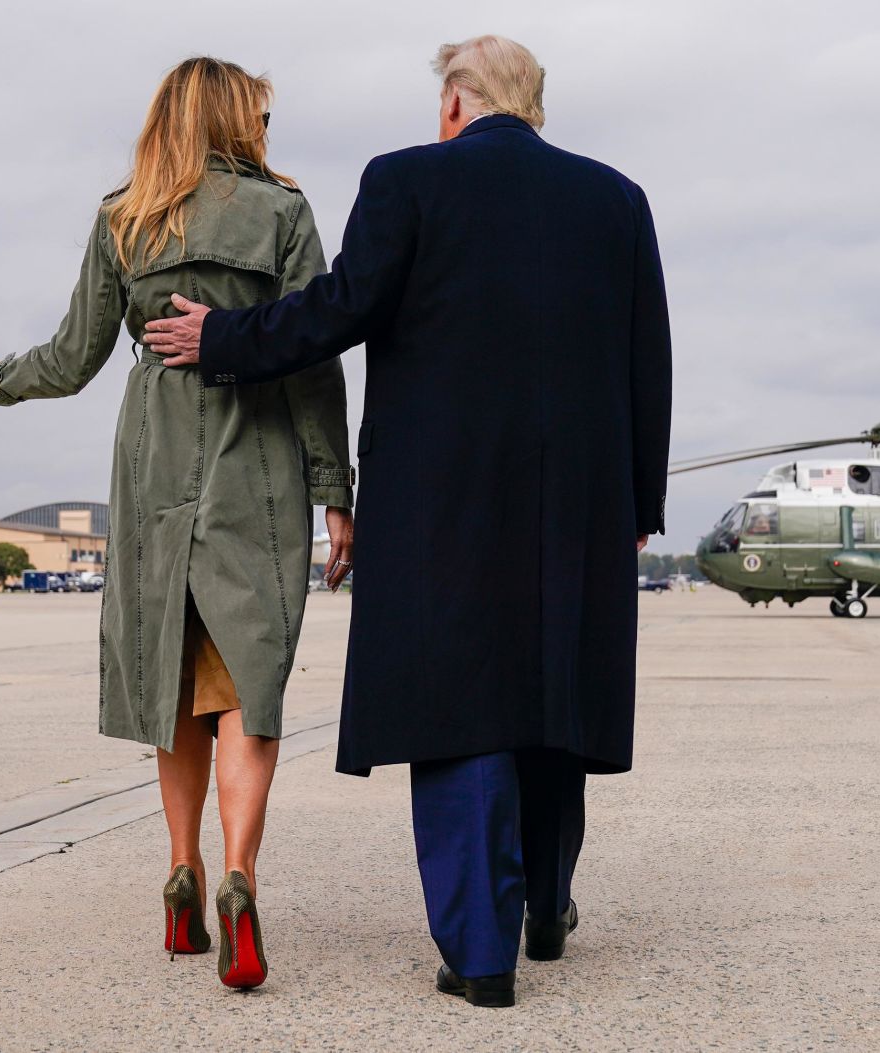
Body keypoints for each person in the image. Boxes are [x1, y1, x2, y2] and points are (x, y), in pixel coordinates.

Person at [144, 35, 672, 1007]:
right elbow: (648, 363)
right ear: (534, 109)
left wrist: (219, 335)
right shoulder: (615, 201)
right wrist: (639, 504)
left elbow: (337, 312)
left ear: (455, 104)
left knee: (466, 709)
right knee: (553, 703)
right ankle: (547, 906)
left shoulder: (407, 181)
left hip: (441, 503)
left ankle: (480, 957)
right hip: (578, 508)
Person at [0, 58, 355, 991]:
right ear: (233, 117)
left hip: (153, 458)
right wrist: (336, 492)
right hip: (258, 461)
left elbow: (75, 354)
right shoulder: (283, 211)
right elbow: (315, 359)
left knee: (169, 669)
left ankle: (182, 871)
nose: (270, 128)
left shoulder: (123, 215)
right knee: (252, 675)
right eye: (262, 113)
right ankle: (241, 870)